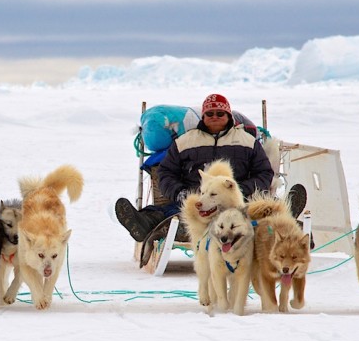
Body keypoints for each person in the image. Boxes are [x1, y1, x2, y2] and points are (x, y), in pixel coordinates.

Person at [115, 93, 295, 242]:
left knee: (262, 211)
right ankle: (144, 224)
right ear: (203, 117)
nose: (215, 117)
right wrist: (179, 192)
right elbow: (166, 172)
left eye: (220, 113)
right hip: (196, 202)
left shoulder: (247, 142)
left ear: (228, 116)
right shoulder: (185, 141)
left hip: (237, 203)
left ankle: (291, 220)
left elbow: (263, 172)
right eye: (210, 114)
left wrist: (240, 190)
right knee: (166, 214)